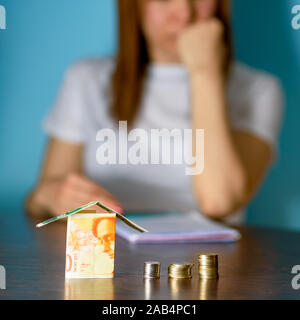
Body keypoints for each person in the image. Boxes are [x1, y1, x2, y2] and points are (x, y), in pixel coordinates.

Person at [26, 0, 283, 224]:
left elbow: (218, 202)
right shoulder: (86, 79)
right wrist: (52, 196)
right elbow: (39, 200)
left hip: (208, 266)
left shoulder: (258, 90)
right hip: (109, 258)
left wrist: (204, 73)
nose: (184, 14)